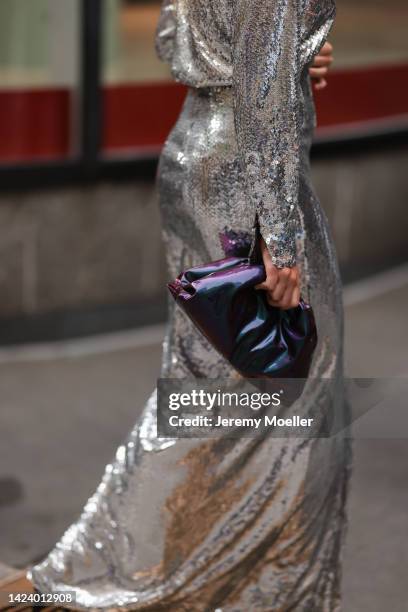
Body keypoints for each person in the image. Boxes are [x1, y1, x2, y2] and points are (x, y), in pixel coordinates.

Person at [29, 1, 351, 610]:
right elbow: (263, 103)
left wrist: (285, 56)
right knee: (295, 390)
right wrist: (281, 242)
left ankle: (161, 566)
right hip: (246, 185)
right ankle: (240, 586)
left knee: (211, 391)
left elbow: (173, 36)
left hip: (197, 158)